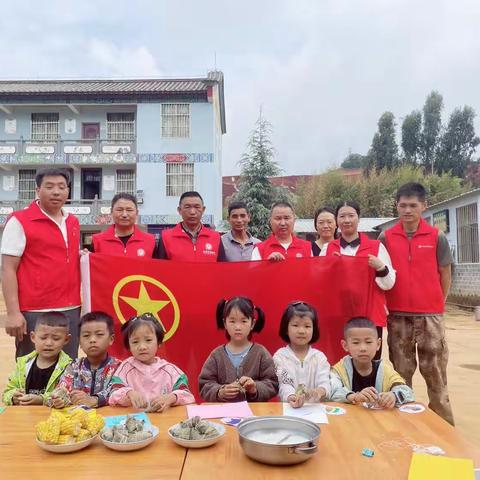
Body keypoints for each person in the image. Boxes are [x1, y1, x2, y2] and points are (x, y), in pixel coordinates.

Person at [379, 182, 454, 425]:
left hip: (430, 317)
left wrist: (437, 305)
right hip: (398, 317)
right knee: (401, 376)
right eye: (403, 205)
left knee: (436, 376)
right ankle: (404, 427)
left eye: (413, 205)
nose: (408, 210)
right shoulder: (386, 237)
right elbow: (382, 274)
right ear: (396, 206)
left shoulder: (436, 236)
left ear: (424, 206)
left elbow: (445, 273)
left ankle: (444, 428)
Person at [1, 167, 81, 359]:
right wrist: (13, 313)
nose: (56, 191)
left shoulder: (73, 221)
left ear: (68, 191)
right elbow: (7, 268)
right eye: (49, 186)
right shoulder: (19, 221)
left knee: (67, 370)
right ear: (37, 190)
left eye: (62, 187)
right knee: (32, 370)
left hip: (71, 309)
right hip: (34, 311)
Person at [320, 201, 395, 357]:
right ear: (337, 221)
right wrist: (328, 266)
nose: (347, 220)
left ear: (358, 218)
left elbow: (389, 283)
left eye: (351, 216)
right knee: (338, 360)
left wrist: (380, 267)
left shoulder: (376, 247)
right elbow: (319, 283)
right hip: (338, 315)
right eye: (342, 216)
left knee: (369, 361)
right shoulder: (328, 249)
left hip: (370, 314)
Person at [198, 296, 279, 402]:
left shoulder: (261, 353)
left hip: (254, 413)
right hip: (224, 414)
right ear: (225, 323)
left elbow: (272, 383)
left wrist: (255, 388)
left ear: (252, 324)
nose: (238, 327)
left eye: (244, 321)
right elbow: (204, 384)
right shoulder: (216, 355)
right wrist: (220, 391)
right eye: (232, 321)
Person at [109, 313, 195, 411]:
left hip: (165, 422)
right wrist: (129, 393)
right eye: (135, 342)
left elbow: (188, 396)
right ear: (128, 346)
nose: (142, 347)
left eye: (148, 340)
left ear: (159, 342)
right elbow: (113, 395)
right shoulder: (125, 368)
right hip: (134, 422)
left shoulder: (171, 371)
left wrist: (171, 398)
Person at [330, 317, 414, 407]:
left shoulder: (385, 369)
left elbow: (407, 392)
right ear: (345, 345)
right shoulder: (339, 370)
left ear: (378, 344)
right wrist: (354, 397)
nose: (363, 348)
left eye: (368, 342)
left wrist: (394, 396)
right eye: (356, 343)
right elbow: (331, 391)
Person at [49, 311, 123, 408]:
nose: (92, 340)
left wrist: (96, 400)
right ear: (79, 341)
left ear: (111, 339)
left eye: (99, 334)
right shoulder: (74, 367)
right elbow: (60, 390)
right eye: (86, 335)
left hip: (110, 419)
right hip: (76, 420)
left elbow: (120, 393)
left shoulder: (119, 367)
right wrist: (58, 400)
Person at [2, 312, 72, 406]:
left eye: (56, 339)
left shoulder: (69, 366)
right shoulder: (23, 363)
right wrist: (13, 397)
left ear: (66, 339)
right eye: (43, 338)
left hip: (54, 418)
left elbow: (68, 395)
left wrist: (42, 400)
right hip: (25, 416)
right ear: (33, 337)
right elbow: (6, 393)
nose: (48, 343)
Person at [273, 301, 330, 408]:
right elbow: (284, 384)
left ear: (314, 329)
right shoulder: (280, 357)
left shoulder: (319, 357)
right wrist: (291, 397)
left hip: (316, 411)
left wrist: (318, 392)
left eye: (307, 326)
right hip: (289, 408)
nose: (301, 331)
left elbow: (325, 382)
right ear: (286, 329)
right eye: (295, 325)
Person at [154, 191, 226, 261]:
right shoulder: (166, 237)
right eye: (187, 207)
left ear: (203, 210)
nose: (192, 212)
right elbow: (160, 269)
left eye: (197, 207)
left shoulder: (215, 237)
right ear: (179, 210)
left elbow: (222, 269)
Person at [91, 193, 155, 257]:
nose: (124, 214)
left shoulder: (150, 241)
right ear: (111, 211)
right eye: (119, 210)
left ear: (137, 213)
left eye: (129, 210)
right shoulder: (97, 241)